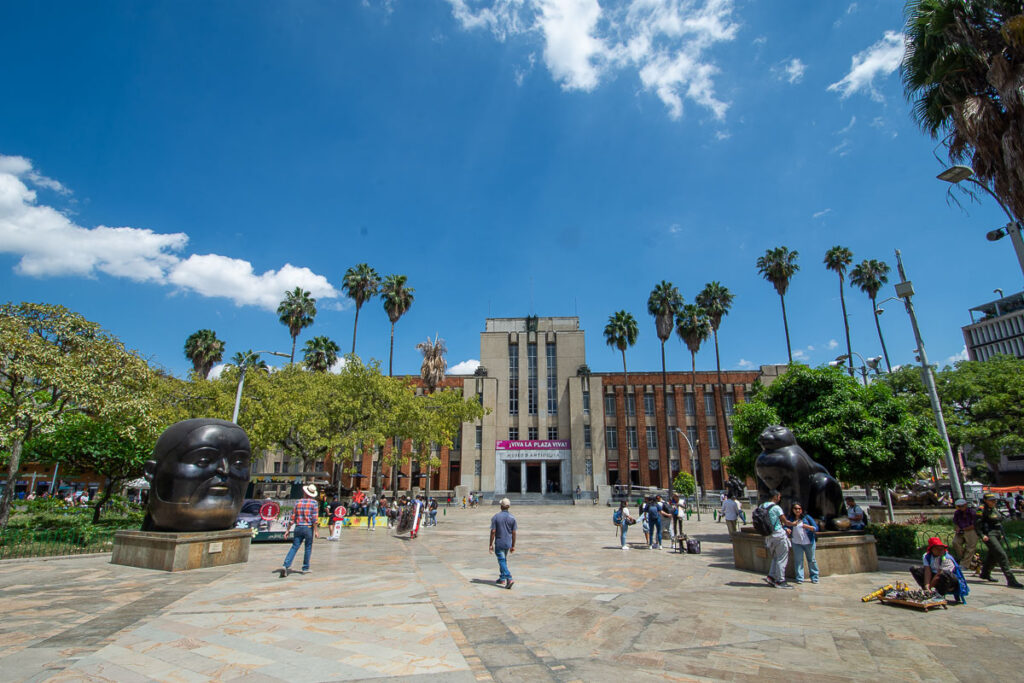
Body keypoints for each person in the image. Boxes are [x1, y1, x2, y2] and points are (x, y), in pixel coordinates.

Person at [977, 492, 1023, 589]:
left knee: (993, 555)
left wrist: (1001, 534)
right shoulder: (981, 510)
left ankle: (985, 573)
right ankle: (1011, 580)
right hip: (989, 534)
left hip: (998, 533)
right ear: (985, 501)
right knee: (1001, 555)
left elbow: (998, 521)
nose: (993, 501)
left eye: (994, 500)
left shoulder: (994, 509)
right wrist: (982, 535)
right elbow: (977, 524)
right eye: (991, 500)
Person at [911, 537, 969, 603]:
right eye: (937, 549)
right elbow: (928, 571)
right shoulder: (927, 556)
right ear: (932, 549)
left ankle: (939, 595)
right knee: (915, 569)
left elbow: (939, 574)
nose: (940, 551)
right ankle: (927, 591)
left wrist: (930, 587)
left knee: (944, 574)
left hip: (950, 580)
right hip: (935, 576)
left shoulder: (946, 558)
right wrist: (927, 586)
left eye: (941, 549)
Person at [278, 484, 319, 577]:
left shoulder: (298, 502)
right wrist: (316, 531)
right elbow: (314, 519)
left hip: (298, 527)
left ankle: (286, 565)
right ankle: (305, 568)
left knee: (294, 546)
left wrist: (287, 530)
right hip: (308, 527)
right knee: (308, 547)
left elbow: (292, 518)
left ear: (305, 492)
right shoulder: (314, 503)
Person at [761, 490, 793, 588]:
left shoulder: (762, 506)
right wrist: (794, 524)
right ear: (775, 497)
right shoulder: (776, 507)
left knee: (775, 557)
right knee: (782, 558)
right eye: (779, 496)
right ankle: (780, 581)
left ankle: (771, 577)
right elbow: (786, 521)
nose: (780, 498)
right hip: (778, 535)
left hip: (768, 536)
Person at [786, 503, 819, 584]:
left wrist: (808, 527)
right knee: (798, 560)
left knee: (812, 560)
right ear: (792, 510)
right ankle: (800, 578)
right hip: (796, 543)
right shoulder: (790, 518)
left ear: (801, 509)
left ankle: (814, 577)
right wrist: (787, 529)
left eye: (799, 508)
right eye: (795, 508)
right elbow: (785, 525)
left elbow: (816, 528)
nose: (797, 510)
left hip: (808, 542)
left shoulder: (807, 517)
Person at [489, 497, 517, 589]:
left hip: (499, 542)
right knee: (503, 560)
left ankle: (509, 578)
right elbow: (514, 533)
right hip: (508, 543)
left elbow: (493, 531)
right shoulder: (512, 518)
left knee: (501, 560)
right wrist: (513, 545)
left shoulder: (496, 517)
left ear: (501, 506)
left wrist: (490, 544)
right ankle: (502, 578)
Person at [950, 498, 978, 566]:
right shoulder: (957, 513)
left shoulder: (972, 512)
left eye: (962, 506)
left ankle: (964, 564)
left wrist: (965, 529)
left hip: (970, 530)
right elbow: (955, 522)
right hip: (961, 530)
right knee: (955, 542)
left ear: (965, 505)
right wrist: (957, 528)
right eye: (958, 506)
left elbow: (975, 524)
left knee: (970, 547)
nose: (960, 508)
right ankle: (966, 558)